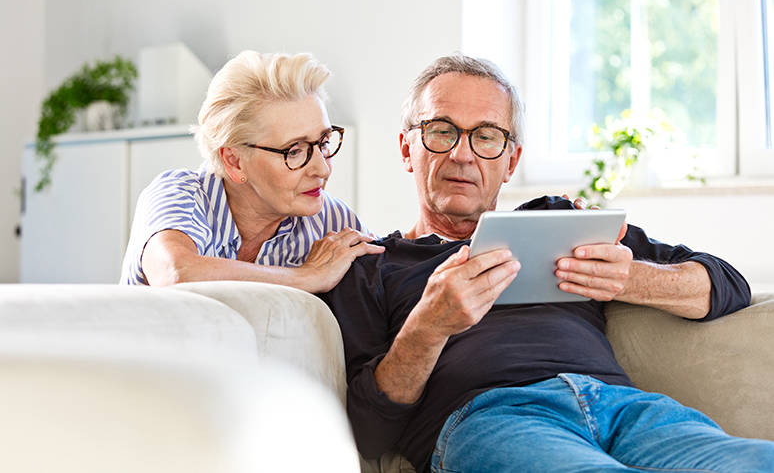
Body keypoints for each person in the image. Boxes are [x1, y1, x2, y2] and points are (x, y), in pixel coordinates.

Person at [320, 54, 774, 473]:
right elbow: (370, 431)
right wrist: (428, 327)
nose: (462, 154)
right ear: (407, 149)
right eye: (442, 130)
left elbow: (728, 285)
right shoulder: (369, 266)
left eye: (486, 137)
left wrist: (629, 278)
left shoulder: (559, 220)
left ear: (511, 159)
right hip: (493, 421)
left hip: (624, 409)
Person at [120, 50, 383, 291]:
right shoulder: (178, 195)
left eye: (324, 143)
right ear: (234, 161)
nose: (322, 169)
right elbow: (176, 274)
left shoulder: (333, 222)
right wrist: (307, 277)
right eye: (294, 151)